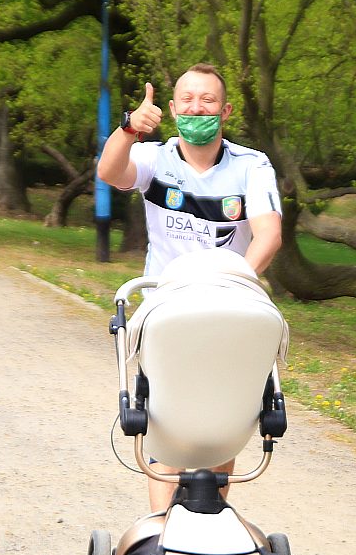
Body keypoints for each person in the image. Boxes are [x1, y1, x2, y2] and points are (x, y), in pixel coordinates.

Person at [97, 63, 283, 511]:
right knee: (166, 418)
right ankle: (162, 526)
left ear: (225, 110)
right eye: (188, 100)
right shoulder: (154, 158)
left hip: (228, 304)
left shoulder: (251, 166)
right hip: (166, 308)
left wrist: (231, 282)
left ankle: (210, 519)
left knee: (223, 413)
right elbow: (109, 172)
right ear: (175, 108)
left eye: (208, 101)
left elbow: (269, 235)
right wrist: (127, 129)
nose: (197, 108)